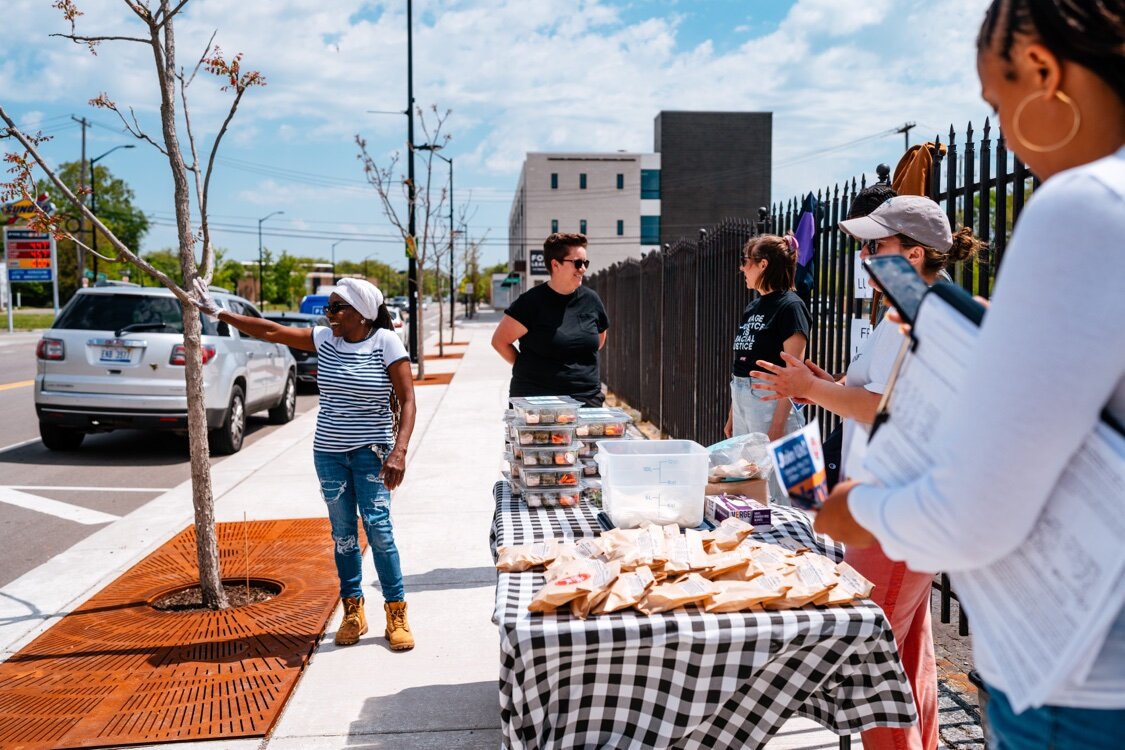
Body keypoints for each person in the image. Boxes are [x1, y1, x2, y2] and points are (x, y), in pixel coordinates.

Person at [812, 1, 1125, 747]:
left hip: (1074, 681)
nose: (1010, 138)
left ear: (1044, 73)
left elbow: (971, 516)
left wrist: (859, 510)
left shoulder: (1083, 207)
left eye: (998, 103)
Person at [752, 193, 984, 750]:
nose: (866, 255)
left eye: (877, 244)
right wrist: (820, 381)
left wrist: (810, 389)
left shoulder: (920, 312)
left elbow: (887, 408)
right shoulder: (905, 311)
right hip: (893, 509)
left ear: (917, 253)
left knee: (870, 665)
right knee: (903, 657)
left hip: (896, 513)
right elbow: (871, 395)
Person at [191, 277, 418, 651]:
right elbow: (272, 331)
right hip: (329, 453)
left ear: (361, 313)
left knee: (379, 529)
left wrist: (400, 450)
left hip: (373, 452)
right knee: (343, 534)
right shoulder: (325, 340)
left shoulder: (386, 341)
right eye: (327, 308)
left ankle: (396, 611)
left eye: (336, 308)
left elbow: (408, 399)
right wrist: (221, 313)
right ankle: (353, 612)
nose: (328, 315)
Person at [492, 233, 609, 406]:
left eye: (585, 263)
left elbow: (599, 340)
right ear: (556, 264)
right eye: (577, 263)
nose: (583, 269)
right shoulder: (530, 303)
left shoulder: (591, 301)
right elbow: (500, 341)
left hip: (586, 398)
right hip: (537, 402)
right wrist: (529, 367)